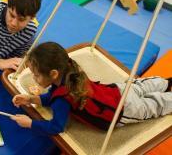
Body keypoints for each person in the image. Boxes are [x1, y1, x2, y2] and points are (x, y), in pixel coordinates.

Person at [10, 42, 172, 135]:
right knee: (142, 86)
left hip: (122, 110)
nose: (34, 78)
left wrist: (30, 123)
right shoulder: (71, 71)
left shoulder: (62, 100)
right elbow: (52, 97)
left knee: (154, 105)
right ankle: (166, 83)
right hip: (117, 90)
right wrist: (32, 99)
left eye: (36, 75)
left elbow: (56, 127)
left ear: (53, 73)